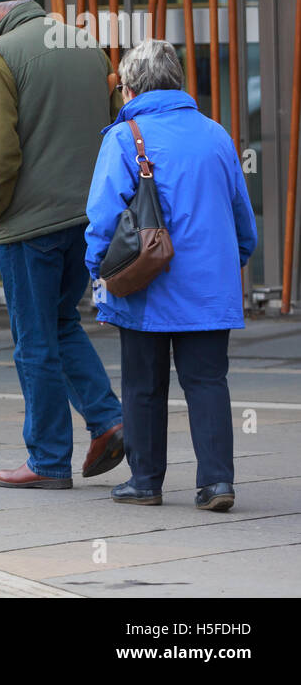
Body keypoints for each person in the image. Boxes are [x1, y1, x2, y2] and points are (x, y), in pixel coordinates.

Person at [0, 0, 126, 489]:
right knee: (62, 323)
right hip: (86, 219)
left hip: (29, 224)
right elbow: (114, 126)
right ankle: (109, 420)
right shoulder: (85, 45)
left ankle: (48, 460)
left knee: (34, 338)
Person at [85, 40, 256, 511]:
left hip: (145, 285)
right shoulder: (217, 134)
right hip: (208, 286)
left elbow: (102, 218)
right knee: (208, 383)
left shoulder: (124, 137)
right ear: (177, 81)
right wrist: (233, 260)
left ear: (130, 87)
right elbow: (242, 214)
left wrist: (99, 274)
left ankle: (145, 482)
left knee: (143, 385)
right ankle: (217, 484)